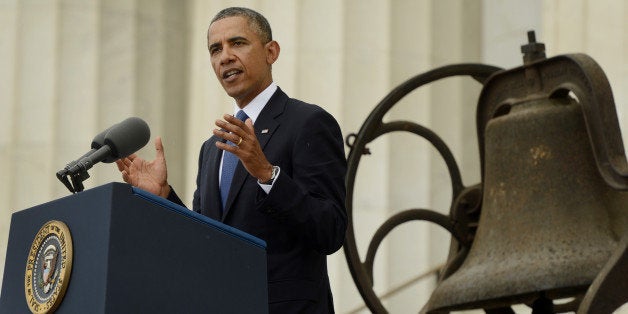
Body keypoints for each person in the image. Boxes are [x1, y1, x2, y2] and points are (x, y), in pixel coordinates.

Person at [115, 6, 347, 313]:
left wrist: (268, 175)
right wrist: (163, 197)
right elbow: (204, 242)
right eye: (215, 49)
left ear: (271, 52)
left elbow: (330, 230)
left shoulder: (308, 122)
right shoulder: (212, 148)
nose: (224, 56)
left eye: (237, 43)